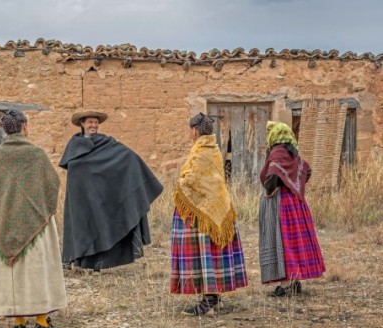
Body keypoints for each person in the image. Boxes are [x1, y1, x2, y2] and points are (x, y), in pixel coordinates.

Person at [0, 109, 67, 328]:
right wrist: (41, 209)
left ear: (6, 129)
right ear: (24, 126)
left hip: (4, 220)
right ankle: (41, 321)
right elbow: (52, 183)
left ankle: (18, 320)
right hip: (35, 222)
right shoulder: (36, 154)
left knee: (14, 272)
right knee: (35, 271)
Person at [59, 110, 163, 272]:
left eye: (96, 122)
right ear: (82, 124)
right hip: (81, 195)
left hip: (101, 195)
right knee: (79, 225)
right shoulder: (74, 145)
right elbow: (74, 169)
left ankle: (97, 263)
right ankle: (70, 259)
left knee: (100, 225)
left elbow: (128, 157)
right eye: (90, 122)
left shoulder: (107, 143)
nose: (93, 125)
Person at [170, 113, 248, 316]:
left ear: (194, 130)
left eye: (190, 129)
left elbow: (193, 179)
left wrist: (180, 184)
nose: (189, 133)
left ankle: (209, 300)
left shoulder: (201, 152)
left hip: (202, 212)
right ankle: (214, 297)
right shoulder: (213, 149)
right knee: (213, 253)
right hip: (217, 207)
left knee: (203, 253)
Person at [258, 121, 325, 297]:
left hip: (283, 205)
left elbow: (272, 176)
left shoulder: (277, 152)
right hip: (297, 204)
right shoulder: (292, 153)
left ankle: (286, 285)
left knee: (283, 242)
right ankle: (294, 282)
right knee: (294, 242)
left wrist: (271, 189)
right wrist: (296, 185)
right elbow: (306, 170)